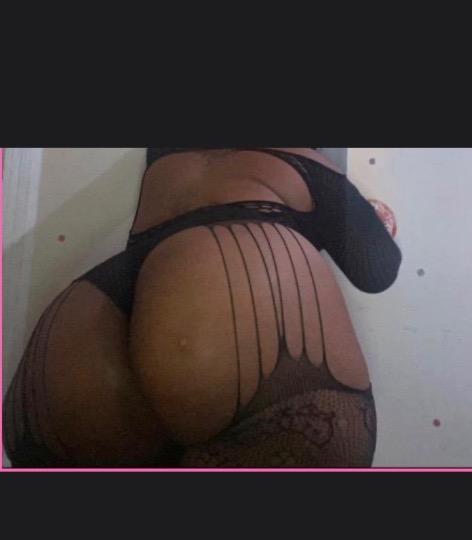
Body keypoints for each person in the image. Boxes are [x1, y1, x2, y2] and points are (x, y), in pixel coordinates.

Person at [3, 148, 402, 468]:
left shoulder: (165, 156)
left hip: (89, 314)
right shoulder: (303, 159)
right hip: (223, 286)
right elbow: (377, 271)